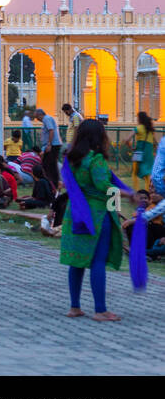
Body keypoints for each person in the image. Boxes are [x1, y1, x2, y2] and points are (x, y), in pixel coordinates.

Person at [60, 119, 133, 321]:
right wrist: (128, 195)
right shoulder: (96, 160)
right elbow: (105, 187)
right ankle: (100, 310)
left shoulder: (71, 158)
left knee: (77, 261)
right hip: (97, 215)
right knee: (97, 261)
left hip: (75, 213)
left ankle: (74, 307)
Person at [128, 111, 157, 190]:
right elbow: (155, 143)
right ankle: (148, 191)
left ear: (139, 119)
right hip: (149, 155)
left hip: (138, 153)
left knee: (134, 173)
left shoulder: (138, 128)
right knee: (148, 174)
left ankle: (136, 190)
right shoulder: (151, 130)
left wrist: (131, 147)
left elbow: (127, 139)